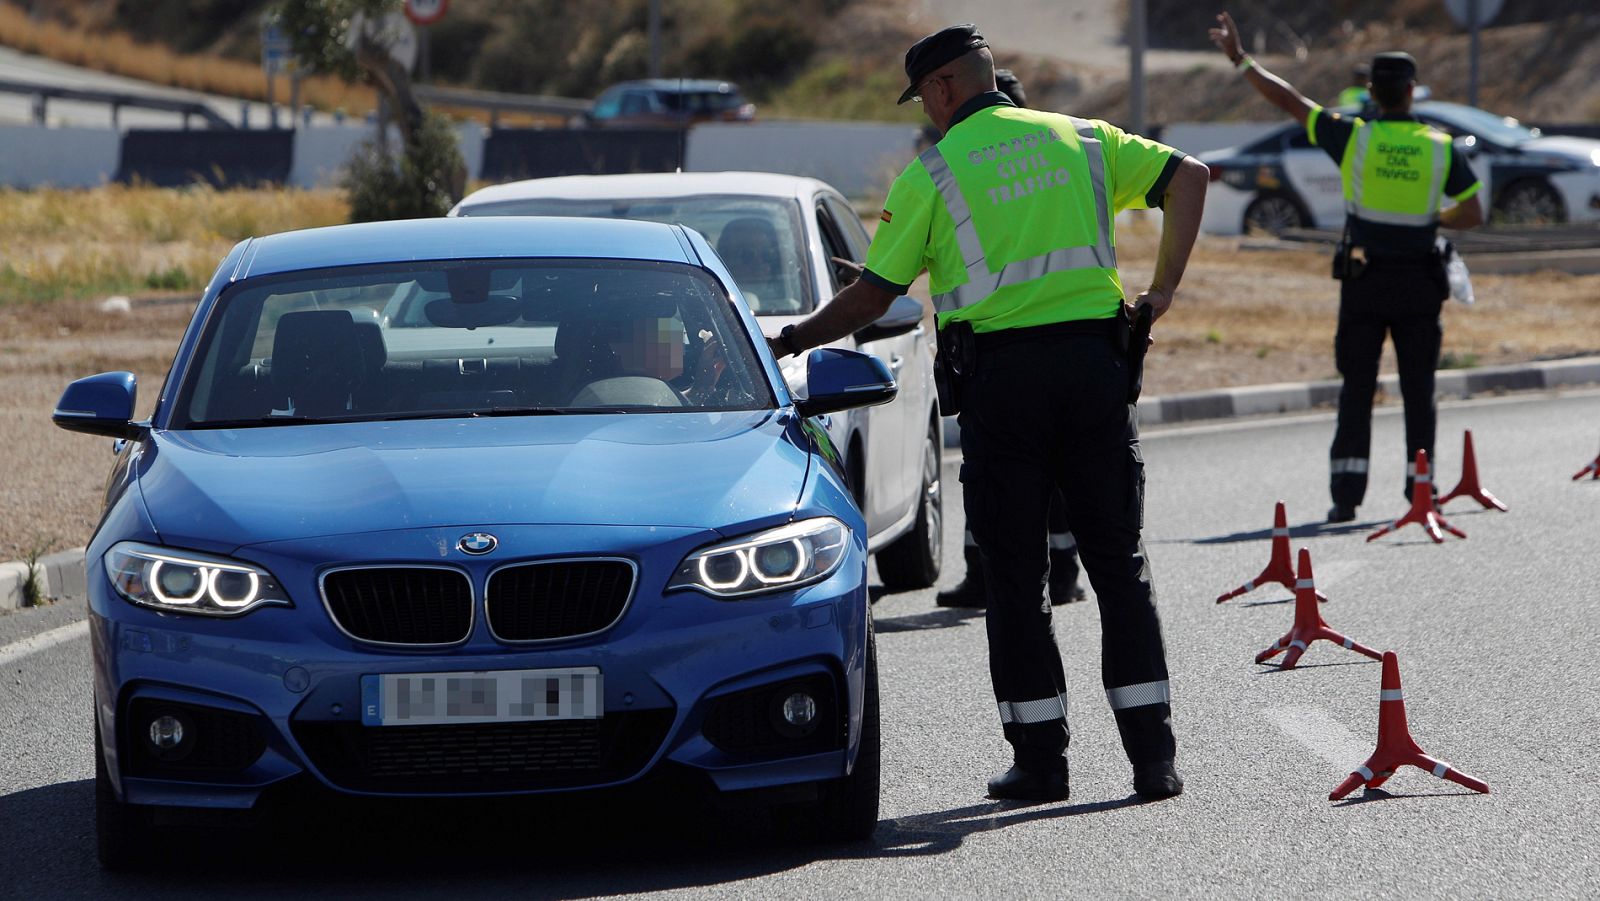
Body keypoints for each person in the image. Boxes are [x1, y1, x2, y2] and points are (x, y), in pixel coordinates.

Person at [766, 24, 1208, 802]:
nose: (927, 114)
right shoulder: (1083, 137)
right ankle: (1153, 760)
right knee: (1119, 568)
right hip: (1095, 373)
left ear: (942, 90)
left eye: (925, 99)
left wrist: (795, 337)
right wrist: (1163, 289)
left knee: (1015, 577)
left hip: (1006, 388)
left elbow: (876, 296)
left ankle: (1042, 762)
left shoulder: (932, 173)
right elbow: (1192, 176)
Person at [1209, 12, 1484, 522]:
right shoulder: (1441, 146)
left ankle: (1345, 495)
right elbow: (1472, 212)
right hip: (1420, 279)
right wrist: (1431, 217)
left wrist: (1240, 58)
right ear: (1412, 91)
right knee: (1419, 387)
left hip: (1364, 279)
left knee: (1357, 386)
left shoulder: (1353, 137)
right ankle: (1419, 489)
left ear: (1371, 94)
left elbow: (1289, 100)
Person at [939, 66, 1085, 611]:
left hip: (993, 354)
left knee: (996, 479)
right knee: (1059, 479)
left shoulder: (959, 168)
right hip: (1076, 345)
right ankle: (1064, 576)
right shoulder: (1065, 152)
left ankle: (992, 578)